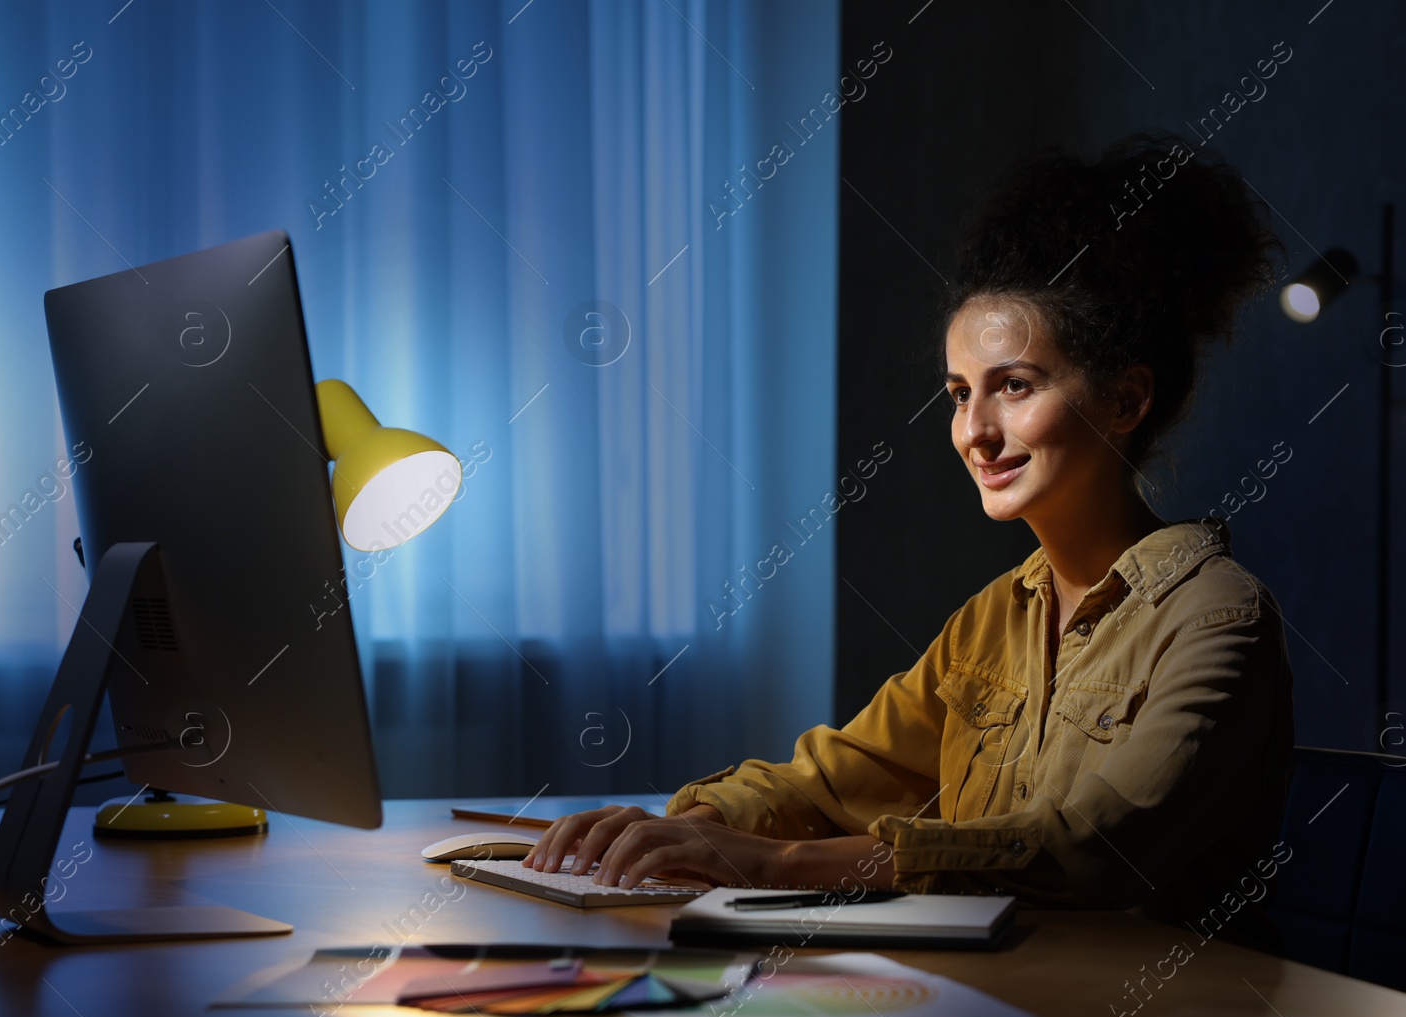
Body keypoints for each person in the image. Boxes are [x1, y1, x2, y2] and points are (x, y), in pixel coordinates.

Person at [527, 129, 1295, 949]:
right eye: (960, 393)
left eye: (1015, 386)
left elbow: (1093, 852)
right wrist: (685, 827)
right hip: (998, 1006)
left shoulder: (1218, 619)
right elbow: (829, 780)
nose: (976, 431)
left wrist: (775, 860)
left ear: (1125, 400)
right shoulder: (991, 622)